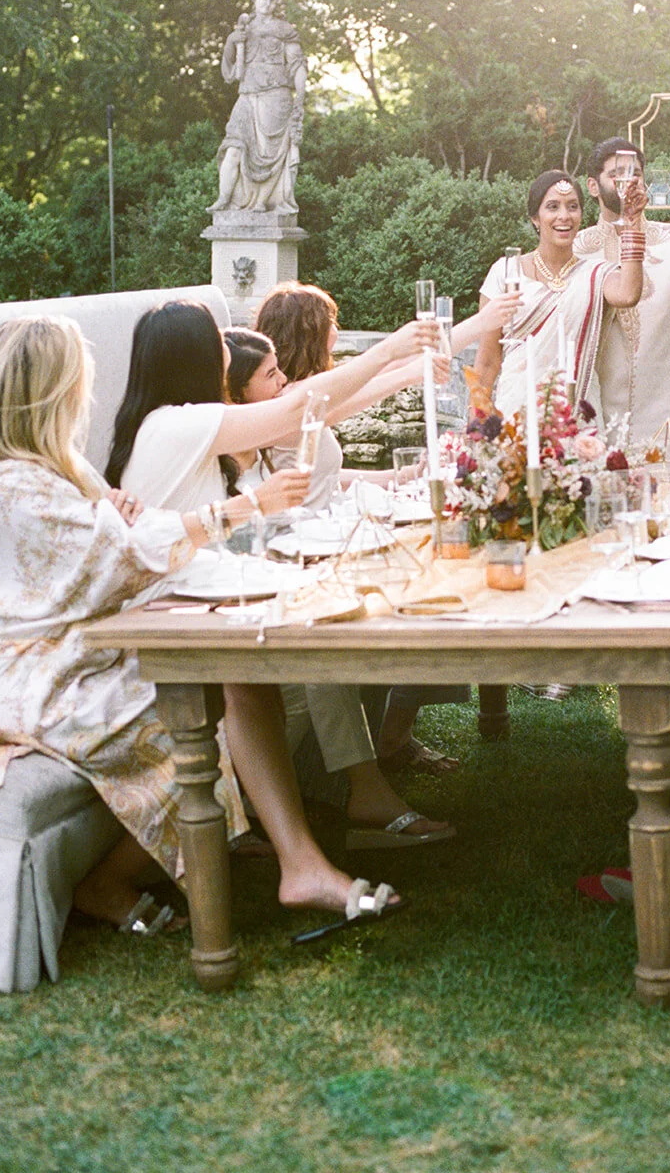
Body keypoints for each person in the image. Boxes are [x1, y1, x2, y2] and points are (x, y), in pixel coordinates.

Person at [0, 315, 384, 935]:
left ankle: (294, 862)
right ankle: (231, 878)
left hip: (78, 648)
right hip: (31, 673)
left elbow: (120, 536)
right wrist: (242, 508)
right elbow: (121, 555)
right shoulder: (9, 483)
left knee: (236, 679)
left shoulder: (51, 469)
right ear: (51, 392)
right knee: (203, 699)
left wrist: (113, 512)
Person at [105, 298, 440, 905]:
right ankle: (301, 849)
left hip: (198, 616)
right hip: (161, 639)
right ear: (197, 356)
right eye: (218, 341)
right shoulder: (176, 424)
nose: (230, 349)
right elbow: (302, 406)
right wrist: (392, 346)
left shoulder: (181, 423)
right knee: (274, 671)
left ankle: (302, 862)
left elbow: (316, 410)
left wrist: (413, 359)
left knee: (264, 675)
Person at [253, 281, 519, 774]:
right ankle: (387, 740)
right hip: (309, 553)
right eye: (330, 321)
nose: (338, 328)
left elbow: (322, 473)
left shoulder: (304, 397)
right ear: (310, 332)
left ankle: (394, 731)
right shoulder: (291, 402)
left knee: (439, 563)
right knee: (430, 580)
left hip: (331, 533)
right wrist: (474, 328)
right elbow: (383, 376)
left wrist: (394, 477)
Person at [223, 325, 454, 846]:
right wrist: (404, 352)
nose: (286, 381)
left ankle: (369, 776)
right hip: (245, 629)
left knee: (358, 620)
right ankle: (364, 789)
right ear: (237, 395)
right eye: (271, 375)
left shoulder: (254, 449)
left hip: (277, 603)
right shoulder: (235, 450)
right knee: (324, 663)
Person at [573, 137, 670, 450]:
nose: (628, 181)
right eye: (616, 173)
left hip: (663, 421)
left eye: (636, 173)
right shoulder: (576, 249)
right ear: (592, 185)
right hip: (594, 423)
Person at [473, 168, 647, 423]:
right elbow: (487, 361)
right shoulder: (505, 272)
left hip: (577, 416)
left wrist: (632, 224)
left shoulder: (596, 274)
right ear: (535, 217)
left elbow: (629, 293)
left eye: (573, 207)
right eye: (552, 207)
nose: (564, 216)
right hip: (516, 415)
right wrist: (476, 421)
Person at [212, 0, 306, 215]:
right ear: (255, 0)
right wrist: (231, 42)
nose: (268, 3)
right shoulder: (244, 28)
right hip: (247, 95)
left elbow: (297, 65)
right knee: (233, 148)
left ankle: (264, 202)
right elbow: (230, 69)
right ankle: (224, 199)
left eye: (273, 0)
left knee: (269, 155)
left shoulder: (284, 29)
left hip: (276, 98)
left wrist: (300, 100)